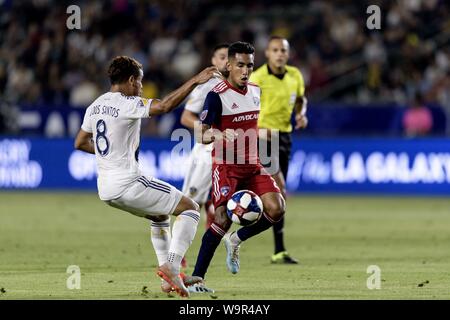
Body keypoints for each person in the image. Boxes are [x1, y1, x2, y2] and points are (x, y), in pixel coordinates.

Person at [74, 56, 218, 298]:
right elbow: (164, 107)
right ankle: (172, 266)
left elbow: (80, 143)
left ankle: (167, 280)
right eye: (139, 82)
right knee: (190, 208)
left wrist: (113, 153)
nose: (141, 87)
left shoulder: (95, 106)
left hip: (106, 189)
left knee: (160, 215)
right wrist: (195, 80)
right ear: (131, 80)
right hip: (128, 182)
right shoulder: (127, 102)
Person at [189, 42, 286, 293]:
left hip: (252, 166)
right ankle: (198, 278)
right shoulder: (217, 95)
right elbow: (201, 134)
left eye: (250, 65)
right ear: (229, 65)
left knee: (277, 209)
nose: (245, 71)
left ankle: (236, 240)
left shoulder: (255, 90)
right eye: (240, 65)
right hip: (226, 167)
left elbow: (250, 127)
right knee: (221, 218)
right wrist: (219, 135)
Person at [249, 36, 308, 264]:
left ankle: (279, 250)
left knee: (277, 196)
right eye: (275, 50)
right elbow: (246, 108)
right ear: (267, 53)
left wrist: (302, 114)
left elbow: (302, 100)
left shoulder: (295, 75)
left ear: (288, 53)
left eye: (283, 50)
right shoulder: (257, 78)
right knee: (280, 187)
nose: (280, 54)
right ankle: (243, 229)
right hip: (264, 136)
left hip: (285, 136)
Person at [181, 44, 229, 230]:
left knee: (227, 201)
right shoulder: (208, 85)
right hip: (208, 149)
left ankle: (212, 222)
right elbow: (186, 116)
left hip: (231, 151)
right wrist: (208, 131)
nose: (226, 61)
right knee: (192, 202)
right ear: (214, 61)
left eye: (229, 57)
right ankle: (178, 253)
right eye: (222, 56)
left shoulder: (240, 85)